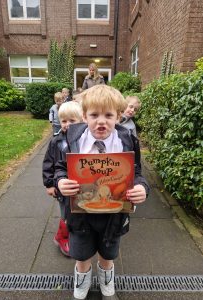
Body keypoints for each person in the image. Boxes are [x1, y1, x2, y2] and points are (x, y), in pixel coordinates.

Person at [54, 85, 149, 300]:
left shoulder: (127, 141)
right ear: (84, 116)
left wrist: (142, 188)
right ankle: (82, 280)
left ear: (118, 116)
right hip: (80, 214)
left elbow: (137, 174)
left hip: (114, 215)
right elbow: (60, 168)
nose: (101, 121)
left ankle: (107, 279)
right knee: (81, 254)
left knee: (108, 255)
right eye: (94, 115)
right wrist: (60, 182)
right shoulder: (72, 139)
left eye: (108, 115)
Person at [43, 101, 83, 257]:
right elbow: (48, 163)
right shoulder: (56, 141)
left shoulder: (83, 140)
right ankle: (63, 237)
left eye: (72, 121)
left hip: (79, 186)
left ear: (82, 120)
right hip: (61, 187)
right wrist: (49, 184)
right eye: (64, 121)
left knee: (78, 211)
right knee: (66, 213)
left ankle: (73, 236)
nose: (67, 124)